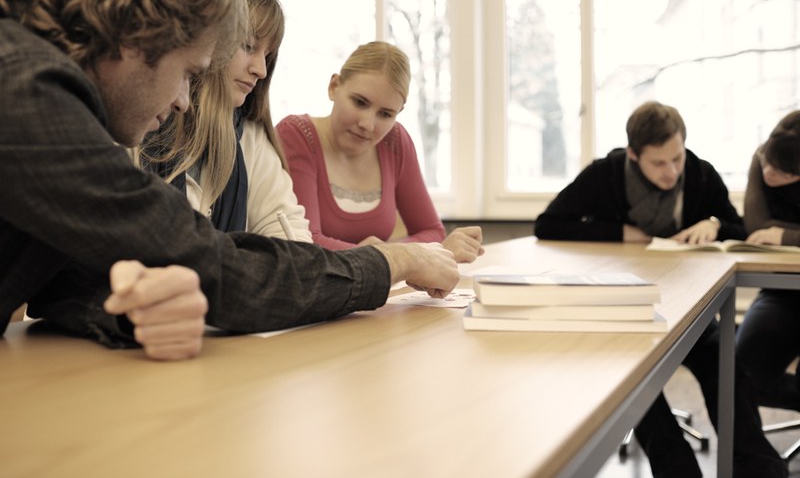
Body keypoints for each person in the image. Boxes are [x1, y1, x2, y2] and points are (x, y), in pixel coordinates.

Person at [0, 0, 459, 362]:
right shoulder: (24, 90)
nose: (183, 99)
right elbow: (214, 263)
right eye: (187, 73)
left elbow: (65, 277)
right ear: (135, 37)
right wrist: (390, 262)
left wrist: (136, 308)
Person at [535, 101, 786, 477]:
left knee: (723, 360)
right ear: (634, 155)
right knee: (637, 379)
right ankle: (678, 470)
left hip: (690, 306)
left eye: (677, 158)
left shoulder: (699, 173)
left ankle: (759, 469)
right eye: (658, 163)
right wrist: (620, 233)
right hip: (625, 312)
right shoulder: (605, 175)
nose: (671, 172)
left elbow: (740, 228)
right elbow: (548, 224)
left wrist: (715, 225)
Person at [276, 41, 484, 263]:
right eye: (359, 102)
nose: (367, 124)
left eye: (385, 114)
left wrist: (387, 256)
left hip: (379, 292)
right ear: (334, 86)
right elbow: (305, 243)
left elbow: (432, 231)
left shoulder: (395, 141)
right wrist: (389, 256)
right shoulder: (297, 135)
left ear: (398, 113)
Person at [140, 0, 311, 241]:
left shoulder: (251, 137)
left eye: (267, 56)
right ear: (204, 40)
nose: (261, 70)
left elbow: (293, 241)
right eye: (247, 46)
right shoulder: (136, 124)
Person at [736, 110, 800, 411]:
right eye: (767, 163)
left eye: (783, 173)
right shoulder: (763, 155)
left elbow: (771, 232)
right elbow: (756, 227)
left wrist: (784, 235)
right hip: (781, 290)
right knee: (742, 370)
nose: (768, 174)